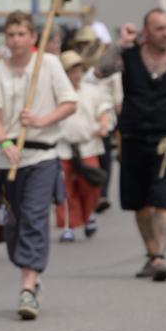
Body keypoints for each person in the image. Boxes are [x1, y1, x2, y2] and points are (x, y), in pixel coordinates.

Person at [0, 11, 78, 319]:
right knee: (14, 225)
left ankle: (27, 287)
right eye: (11, 35)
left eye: (21, 34)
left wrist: (41, 120)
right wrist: (5, 142)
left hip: (42, 156)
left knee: (35, 218)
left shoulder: (48, 64)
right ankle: (30, 275)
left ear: (33, 37)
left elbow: (69, 103)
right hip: (9, 157)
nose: (16, 40)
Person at [96, 9, 166, 281]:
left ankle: (159, 256)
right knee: (139, 204)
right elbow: (99, 70)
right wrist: (120, 43)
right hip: (133, 140)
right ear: (146, 32)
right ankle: (152, 254)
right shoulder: (128, 57)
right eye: (159, 28)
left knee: (163, 201)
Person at [55, 50, 111, 242]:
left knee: (90, 185)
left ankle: (89, 215)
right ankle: (68, 225)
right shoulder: (56, 93)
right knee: (65, 188)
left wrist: (103, 124)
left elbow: (103, 111)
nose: (76, 75)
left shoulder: (92, 91)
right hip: (63, 146)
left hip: (88, 145)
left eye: (78, 70)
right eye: (71, 71)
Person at [74, 26, 121, 212]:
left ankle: (102, 194)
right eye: (81, 44)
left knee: (103, 156)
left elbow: (116, 99)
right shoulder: (74, 65)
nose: (85, 47)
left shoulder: (108, 68)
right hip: (81, 117)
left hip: (103, 116)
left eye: (88, 43)